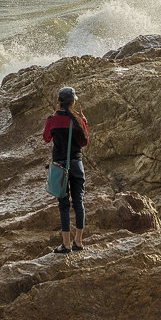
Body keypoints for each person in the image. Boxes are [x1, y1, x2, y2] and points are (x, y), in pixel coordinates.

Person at [43, 86, 89, 253]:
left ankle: (66, 244)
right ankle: (79, 241)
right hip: (77, 164)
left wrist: (52, 116)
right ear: (73, 102)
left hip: (60, 167)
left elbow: (46, 138)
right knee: (79, 202)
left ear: (59, 103)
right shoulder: (78, 120)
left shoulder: (53, 120)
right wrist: (84, 121)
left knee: (63, 205)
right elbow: (84, 143)